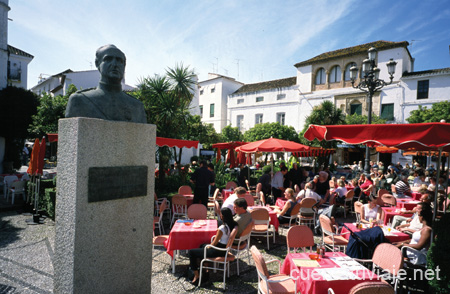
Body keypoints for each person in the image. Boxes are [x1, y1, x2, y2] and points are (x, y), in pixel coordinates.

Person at [65, 44, 146, 123]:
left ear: (124, 66)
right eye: (108, 59)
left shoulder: (137, 106)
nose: (114, 64)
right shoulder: (80, 100)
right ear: (97, 63)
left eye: (119, 60)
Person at [188, 207, 237, 285]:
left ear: (222, 216)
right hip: (223, 249)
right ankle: (205, 268)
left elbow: (214, 243)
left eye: (220, 214)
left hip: (218, 250)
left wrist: (208, 247)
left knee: (191, 252)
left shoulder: (222, 228)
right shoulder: (232, 225)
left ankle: (196, 275)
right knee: (202, 245)